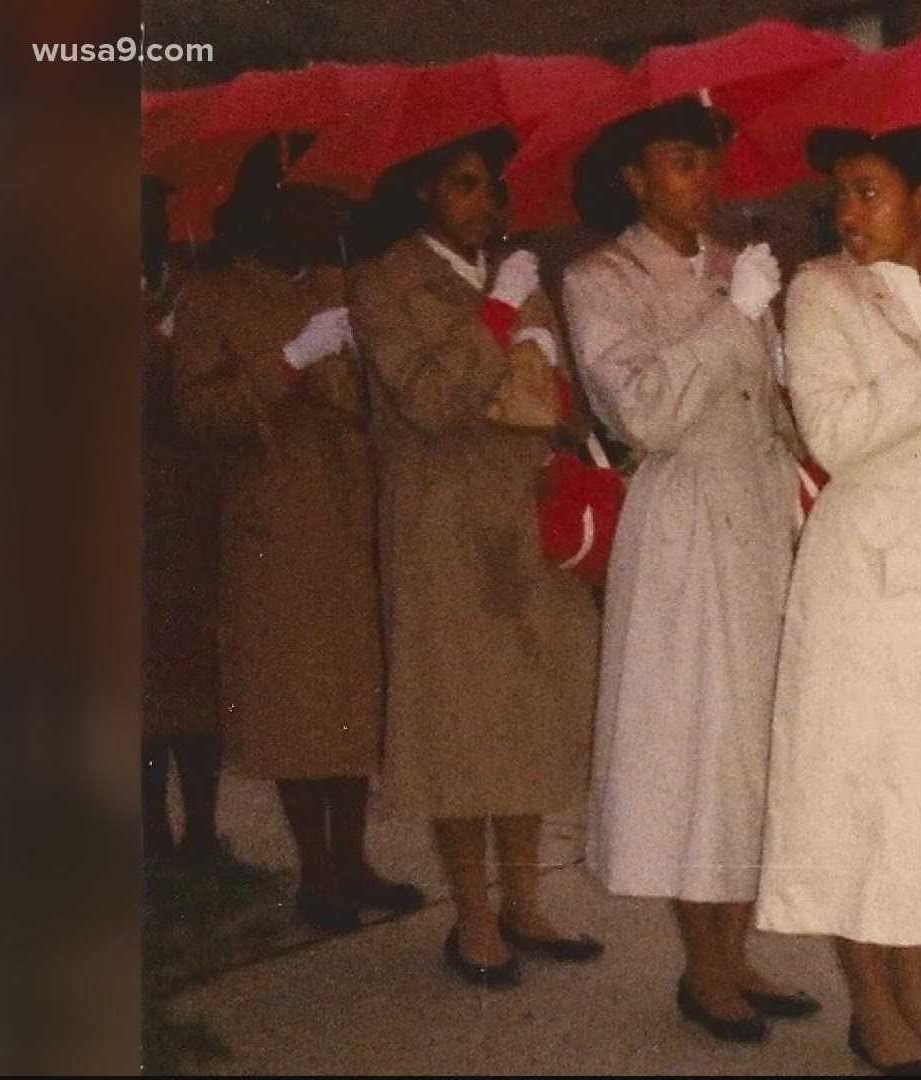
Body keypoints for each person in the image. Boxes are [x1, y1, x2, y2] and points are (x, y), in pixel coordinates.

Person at [756, 124, 921, 1076]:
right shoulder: (817, 295)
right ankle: (871, 1007)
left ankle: (918, 994)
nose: (848, 213)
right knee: (859, 793)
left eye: (870, 192)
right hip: (860, 576)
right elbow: (832, 434)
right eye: (841, 195)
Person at [562, 97, 818, 1045]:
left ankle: (740, 952)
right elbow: (643, 413)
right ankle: (702, 970)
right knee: (693, 748)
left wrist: (787, 355)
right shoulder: (600, 278)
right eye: (679, 162)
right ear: (633, 176)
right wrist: (734, 320)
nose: (702, 180)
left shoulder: (730, 267)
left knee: (752, 748)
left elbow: (770, 409)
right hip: (684, 529)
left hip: (758, 520)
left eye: (708, 161)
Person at [345, 126, 603, 988]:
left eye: (490, 187)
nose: (482, 203)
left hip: (525, 518)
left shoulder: (513, 274)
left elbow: (551, 401)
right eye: (461, 184)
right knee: (458, 722)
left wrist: (544, 355)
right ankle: (474, 918)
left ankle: (526, 902)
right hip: (442, 528)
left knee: (524, 715)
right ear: (422, 191)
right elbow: (427, 398)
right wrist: (499, 318)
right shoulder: (382, 282)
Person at [169, 137, 425, 931]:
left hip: (352, 522)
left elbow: (385, 409)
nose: (332, 213)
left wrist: (362, 361)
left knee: (352, 703)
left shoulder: (346, 286)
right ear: (271, 205)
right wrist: (290, 360)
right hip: (273, 527)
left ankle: (353, 860)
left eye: (337, 202)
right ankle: (315, 872)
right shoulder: (212, 297)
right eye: (315, 199)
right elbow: (198, 415)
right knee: (294, 706)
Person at [141, 174, 225, 870]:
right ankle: (146, 833)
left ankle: (202, 829)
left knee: (200, 683)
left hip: (196, 510)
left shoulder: (190, 287)